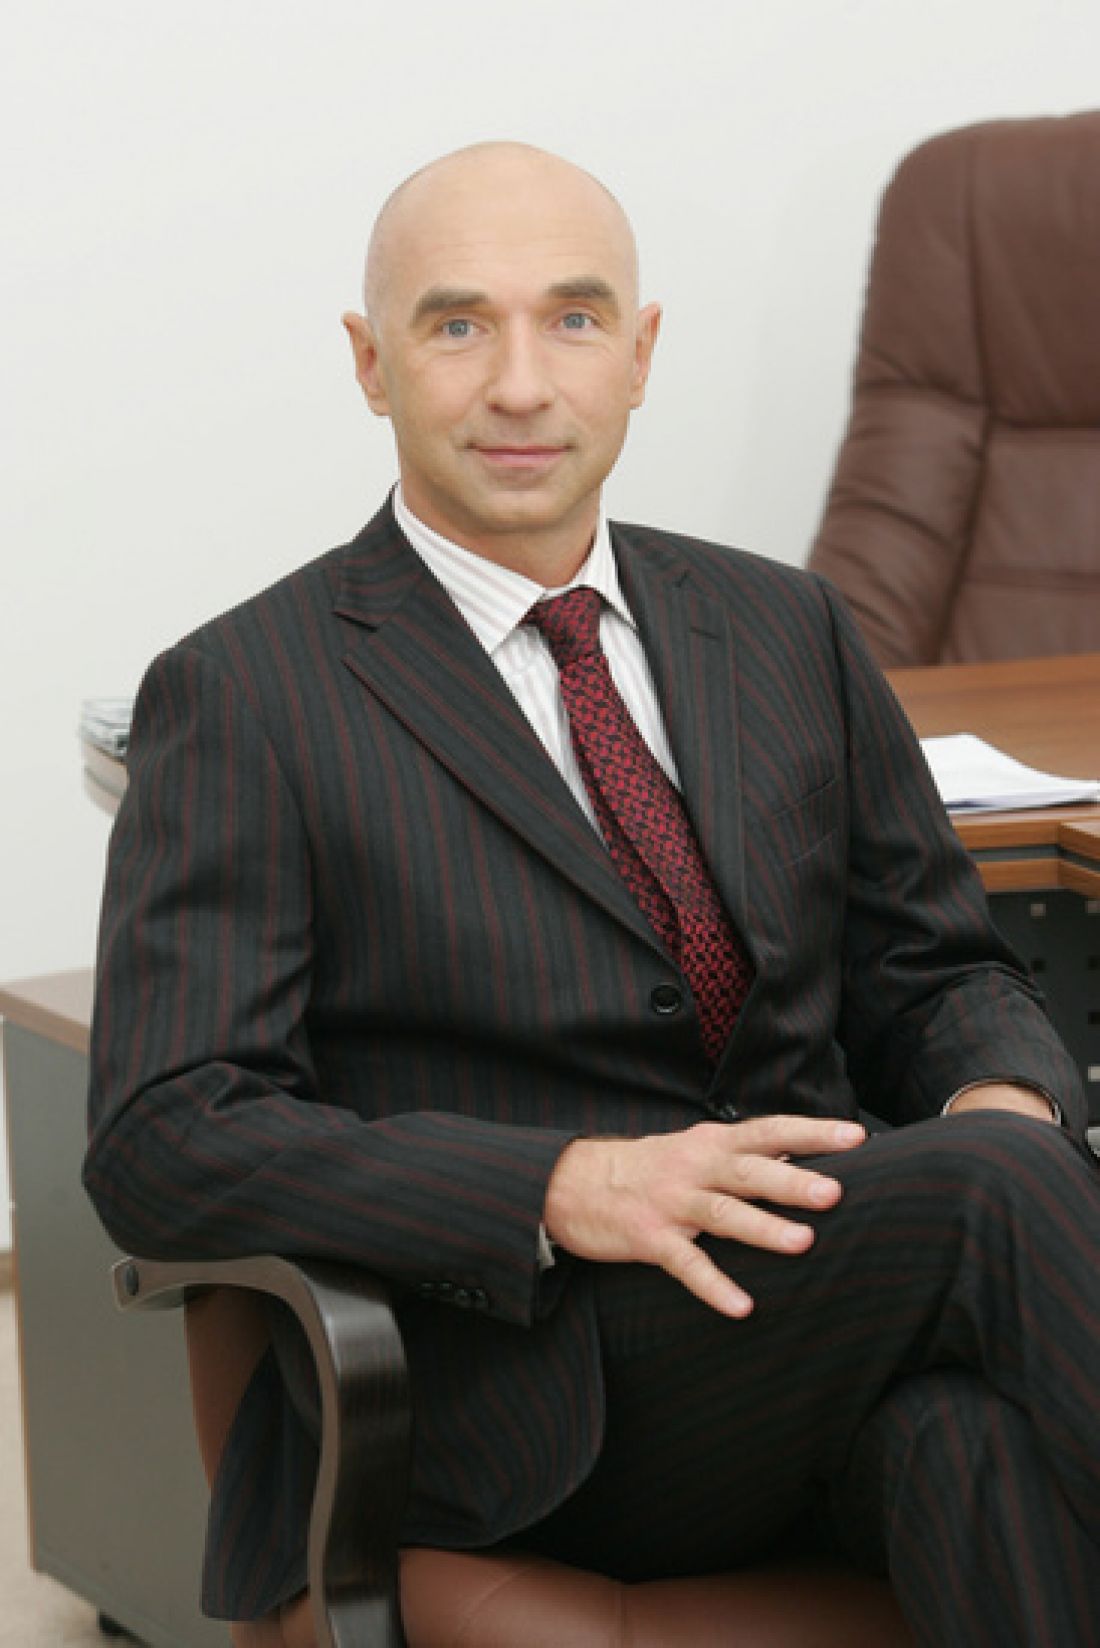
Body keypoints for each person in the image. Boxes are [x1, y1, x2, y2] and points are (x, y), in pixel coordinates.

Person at [84, 142, 1100, 1647]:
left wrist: (997, 1094)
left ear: (640, 353)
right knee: (1000, 1190)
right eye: (456, 325)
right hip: (526, 1382)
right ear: (370, 363)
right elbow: (164, 1134)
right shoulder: (246, 692)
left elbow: (939, 974)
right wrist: (558, 1187)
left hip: (817, 1319)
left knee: (972, 1443)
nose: (520, 384)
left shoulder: (787, 626)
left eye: (571, 319)